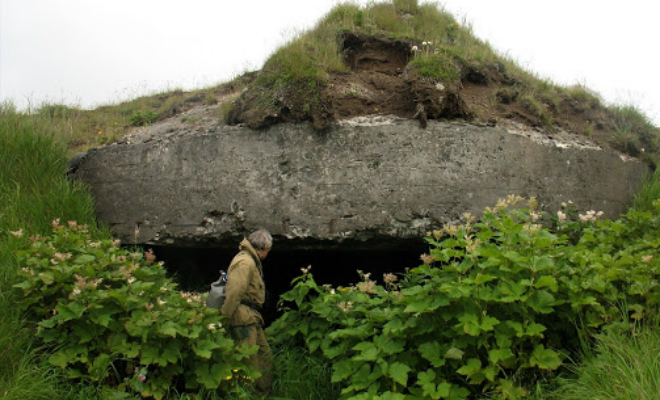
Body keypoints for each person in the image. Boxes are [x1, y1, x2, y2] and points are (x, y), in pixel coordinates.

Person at [221, 229, 273, 396]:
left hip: (252, 317)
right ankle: (247, 394)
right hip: (243, 318)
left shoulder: (250, 260)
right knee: (250, 362)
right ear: (263, 247)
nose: (268, 253)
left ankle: (262, 393)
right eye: (268, 249)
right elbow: (234, 293)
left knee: (264, 355)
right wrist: (225, 319)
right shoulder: (245, 263)